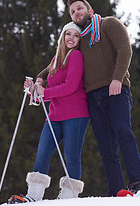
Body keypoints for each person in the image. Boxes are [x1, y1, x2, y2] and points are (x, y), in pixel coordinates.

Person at [36, 0, 140, 197]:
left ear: (90, 9)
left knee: (123, 132)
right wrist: (40, 78)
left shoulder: (108, 24)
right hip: (92, 98)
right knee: (105, 145)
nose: (76, 13)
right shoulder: (79, 38)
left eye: (79, 8)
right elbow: (58, 62)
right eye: (72, 12)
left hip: (116, 90)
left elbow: (125, 50)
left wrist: (117, 79)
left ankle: (136, 184)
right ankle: (117, 191)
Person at [8, 22, 89, 204]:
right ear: (62, 36)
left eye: (76, 35)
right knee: (42, 153)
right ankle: (34, 195)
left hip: (75, 114)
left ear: (79, 40)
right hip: (54, 115)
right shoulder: (55, 61)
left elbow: (71, 86)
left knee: (71, 156)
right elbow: (50, 91)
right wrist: (34, 92)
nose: (71, 38)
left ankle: (69, 197)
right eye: (68, 34)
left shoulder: (75, 56)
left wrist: (45, 92)